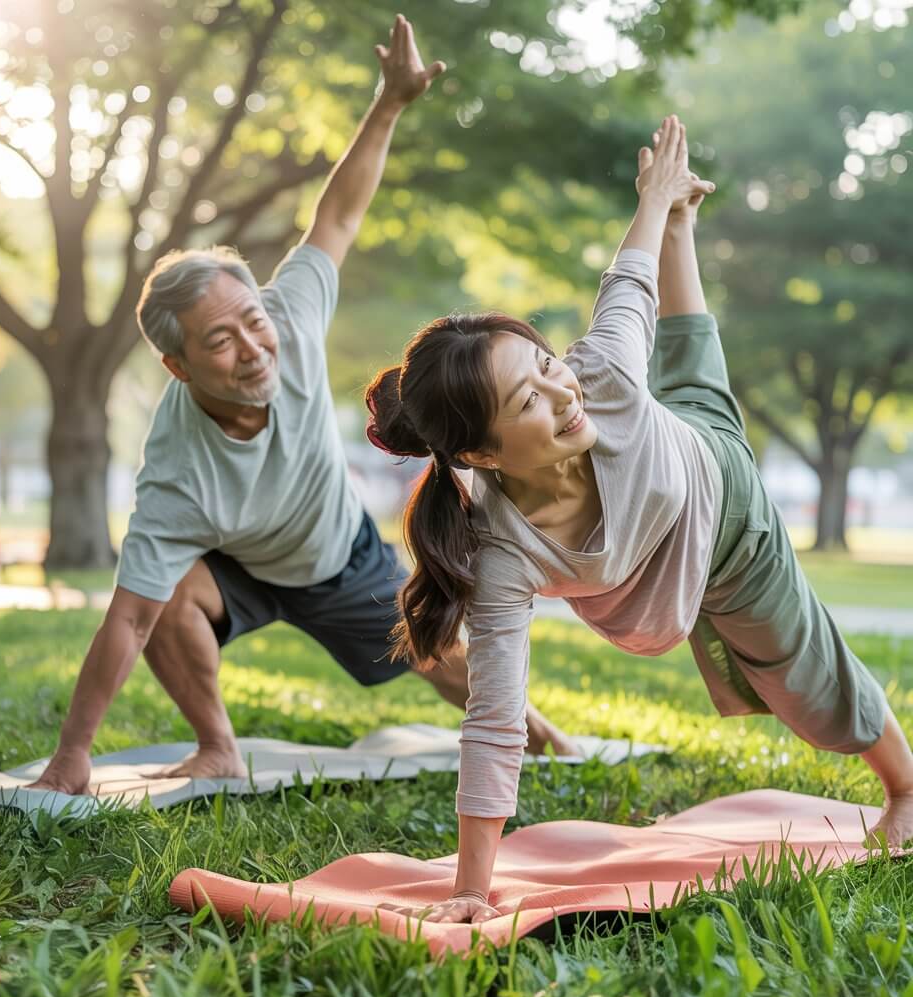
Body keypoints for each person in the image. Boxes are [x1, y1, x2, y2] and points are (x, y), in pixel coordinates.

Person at [365, 116, 913, 924]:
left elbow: (629, 283)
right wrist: (472, 890)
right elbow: (493, 718)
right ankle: (688, 228)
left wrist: (657, 202)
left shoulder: (602, 376)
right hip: (673, 462)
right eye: (529, 400)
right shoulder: (501, 549)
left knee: (802, 680)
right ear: (479, 456)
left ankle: (905, 784)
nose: (562, 392)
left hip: (724, 516)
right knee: (695, 368)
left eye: (548, 364)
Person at [30, 15, 575, 795]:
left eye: (253, 322)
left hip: (337, 556)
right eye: (221, 341)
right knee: (170, 593)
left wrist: (388, 103)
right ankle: (217, 745)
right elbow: (128, 619)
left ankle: (544, 734)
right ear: (176, 365)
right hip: (242, 568)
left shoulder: (290, 315)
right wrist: (72, 755)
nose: (254, 348)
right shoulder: (176, 472)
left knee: (441, 664)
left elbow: (339, 215)